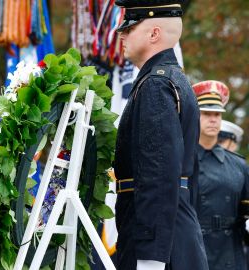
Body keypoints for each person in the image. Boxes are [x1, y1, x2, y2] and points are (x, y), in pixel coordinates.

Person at [113, 1, 209, 269]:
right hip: (174, 233)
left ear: (154, 34)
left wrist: (150, 257)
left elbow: (157, 173)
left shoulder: (155, 85)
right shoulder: (172, 80)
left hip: (160, 247)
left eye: (129, 28)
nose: (122, 35)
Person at [193, 80, 249, 270]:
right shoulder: (181, 161)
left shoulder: (238, 164)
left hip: (230, 254)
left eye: (217, 114)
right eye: (206, 113)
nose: (213, 119)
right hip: (192, 249)